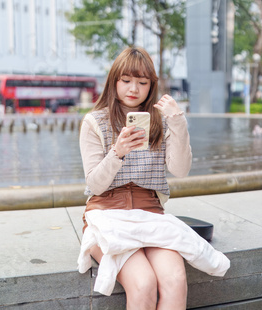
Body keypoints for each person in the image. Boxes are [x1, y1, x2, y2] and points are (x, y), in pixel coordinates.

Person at [78, 46, 193, 309]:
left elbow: (180, 169)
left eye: (142, 82)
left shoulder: (161, 122)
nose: (134, 88)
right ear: (114, 81)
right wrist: (117, 153)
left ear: (151, 85)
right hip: (107, 211)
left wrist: (177, 122)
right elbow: (94, 184)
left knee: (175, 280)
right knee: (143, 284)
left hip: (150, 212)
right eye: (126, 80)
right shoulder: (95, 121)